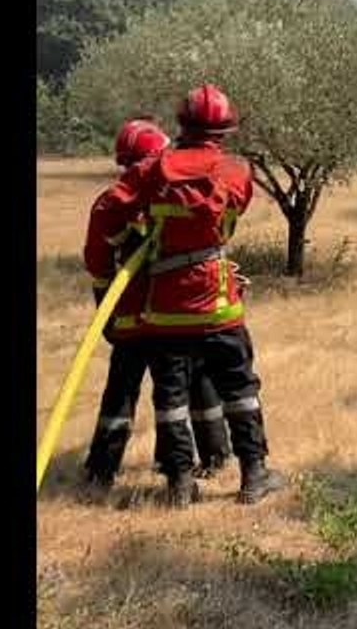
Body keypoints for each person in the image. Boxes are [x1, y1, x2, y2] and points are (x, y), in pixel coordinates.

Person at [84, 85, 286, 507]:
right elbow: (232, 212)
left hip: (167, 309)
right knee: (240, 388)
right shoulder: (236, 171)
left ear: (181, 124)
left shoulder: (153, 169)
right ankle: (254, 476)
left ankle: (178, 484)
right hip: (218, 303)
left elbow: (106, 211)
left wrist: (116, 253)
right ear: (225, 130)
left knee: (170, 397)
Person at [82, 117, 232, 496]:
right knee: (191, 382)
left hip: (132, 316)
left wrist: (106, 309)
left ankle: (102, 469)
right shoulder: (172, 194)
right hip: (175, 311)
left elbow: (98, 261)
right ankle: (212, 456)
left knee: (123, 390)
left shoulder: (112, 202)